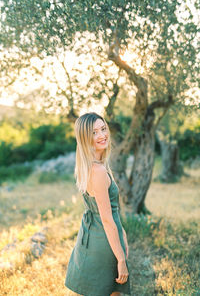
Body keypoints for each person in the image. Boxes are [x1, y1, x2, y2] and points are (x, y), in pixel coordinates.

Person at [65, 112, 131, 296]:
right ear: (85, 138)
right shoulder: (98, 171)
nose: (102, 135)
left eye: (103, 129)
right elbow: (107, 219)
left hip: (97, 235)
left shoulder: (91, 165)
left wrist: (122, 232)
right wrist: (121, 259)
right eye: (94, 132)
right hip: (104, 242)